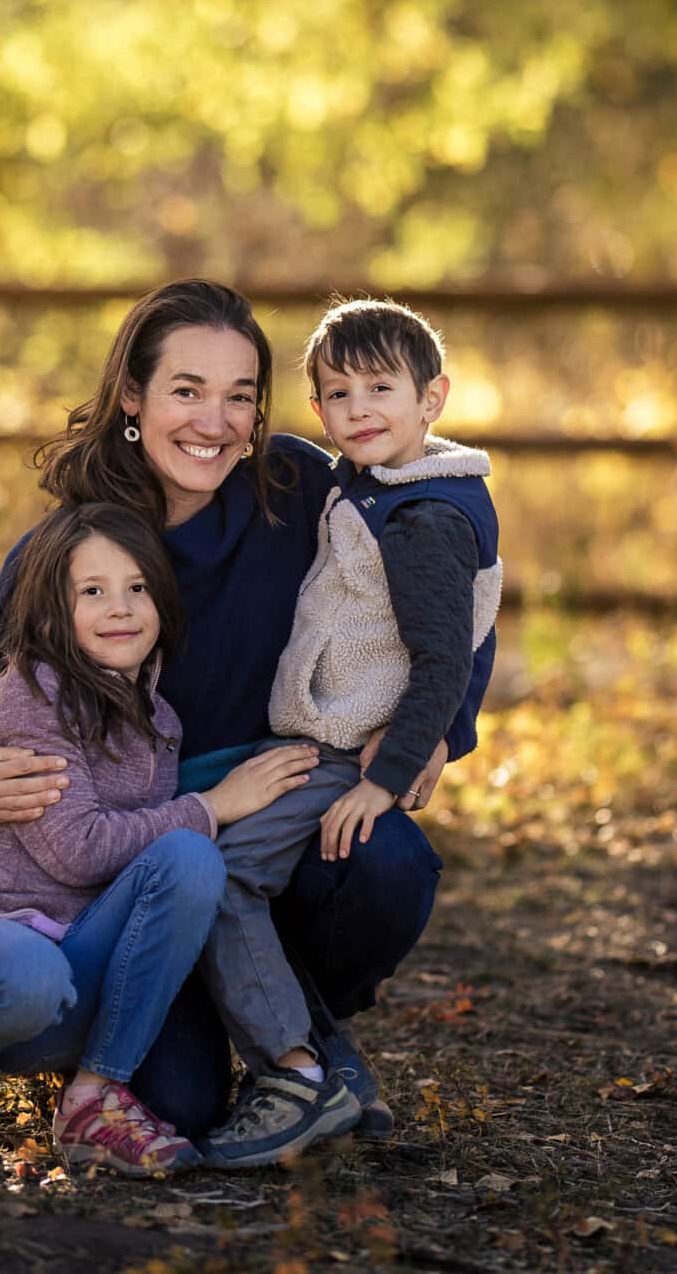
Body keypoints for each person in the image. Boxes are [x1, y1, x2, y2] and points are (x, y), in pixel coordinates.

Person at [0, 280, 482, 1138]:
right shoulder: (70, 554)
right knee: (182, 1104)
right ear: (133, 398)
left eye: (239, 396)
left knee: (385, 860)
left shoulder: (299, 489)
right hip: (132, 875)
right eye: (187, 390)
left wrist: (445, 723)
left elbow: (448, 563)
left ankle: (301, 1043)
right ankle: (229, 1036)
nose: (214, 422)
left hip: (272, 826)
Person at [0, 501, 318, 1177]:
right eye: (92, 591)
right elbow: (81, 849)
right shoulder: (34, 693)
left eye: (137, 587)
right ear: (50, 614)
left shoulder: (159, 718)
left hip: (72, 972)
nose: (119, 607)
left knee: (189, 861)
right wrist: (214, 804)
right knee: (30, 968)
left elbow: (149, 865)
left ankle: (94, 1094)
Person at [193, 298, 503, 1167]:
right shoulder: (382, 487)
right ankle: (333, 1066)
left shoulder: (423, 518)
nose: (358, 408)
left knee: (221, 879)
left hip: (344, 753)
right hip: (321, 742)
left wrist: (388, 771)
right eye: (336, 393)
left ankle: (294, 1079)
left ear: (431, 397)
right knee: (228, 874)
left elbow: (449, 653)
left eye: (380, 388)